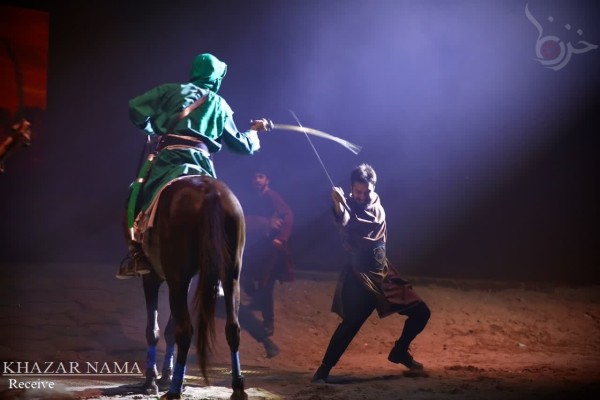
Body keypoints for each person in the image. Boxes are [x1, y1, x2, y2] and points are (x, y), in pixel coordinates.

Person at [117, 53, 270, 279]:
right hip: (202, 166)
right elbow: (241, 145)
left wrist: (151, 128)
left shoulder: (170, 90)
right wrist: (254, 132)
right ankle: (218, 267)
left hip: (169, 161)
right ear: (216, 78)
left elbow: (135, 108)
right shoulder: (220, 104)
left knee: (135, 193)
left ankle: (136, 255)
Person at [312, 163, 431, 383]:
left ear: (373, 188)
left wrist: (344, 204)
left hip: (382, 271)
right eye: (357, 191)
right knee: (352, 322)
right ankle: (323, 371)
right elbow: (345, 220)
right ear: (351, 188)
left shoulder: (374, 202)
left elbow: (366, 212)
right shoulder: (348, 205)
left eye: (366, 191)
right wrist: (338, 204)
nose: (362, 196)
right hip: (359, 274)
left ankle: (399, 351)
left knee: (421, 313)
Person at [241, 169, 294, 336]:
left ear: (267, 180)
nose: (257, 180)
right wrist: (264, 222)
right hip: (255, 247)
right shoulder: (251, 198)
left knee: (266, 285)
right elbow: (245, 218)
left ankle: (268, 322)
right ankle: (257, 300)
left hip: (271, 250)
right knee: (245, 277)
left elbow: (288, 216)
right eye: (255, 177)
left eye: (261, 177)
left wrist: (281, 239)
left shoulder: (272, 196)